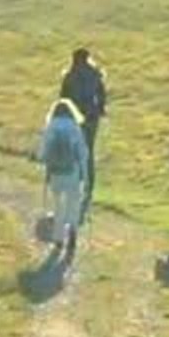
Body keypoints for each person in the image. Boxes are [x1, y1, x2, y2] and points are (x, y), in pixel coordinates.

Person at [37, 99, 90, 261]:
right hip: (72, 171)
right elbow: (82, 152)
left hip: (55, 173)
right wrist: (85, 174)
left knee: (58, 206)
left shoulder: (51, 126)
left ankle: (59, 239)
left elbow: (43, 152)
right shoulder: (75, 127)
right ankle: (72, 233)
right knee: (72, 204)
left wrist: (45, 166)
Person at [59, 48, 107, 223]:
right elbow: (101, 94)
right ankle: (89, 182)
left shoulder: (69, 76)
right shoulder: (95, 74)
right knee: (89, 150)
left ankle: (74, 180)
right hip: (91, 117)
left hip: (74, 118)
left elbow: (63, 98)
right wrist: (101, 109)